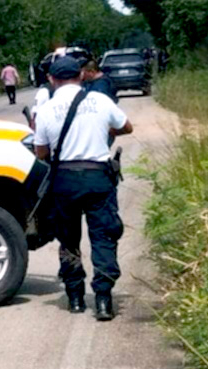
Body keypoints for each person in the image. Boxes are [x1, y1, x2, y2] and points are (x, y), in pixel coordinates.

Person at [32, 57, 134, 321]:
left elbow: (41, 151)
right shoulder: (100, 100)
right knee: (104, 236)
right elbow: (126, 126)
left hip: (64, 180)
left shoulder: (45, 109)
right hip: (98, 177)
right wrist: (102, 132)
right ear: (80, 75)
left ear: (52, 80)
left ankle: (75, 297)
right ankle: (103, 300)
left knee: (68, 239)